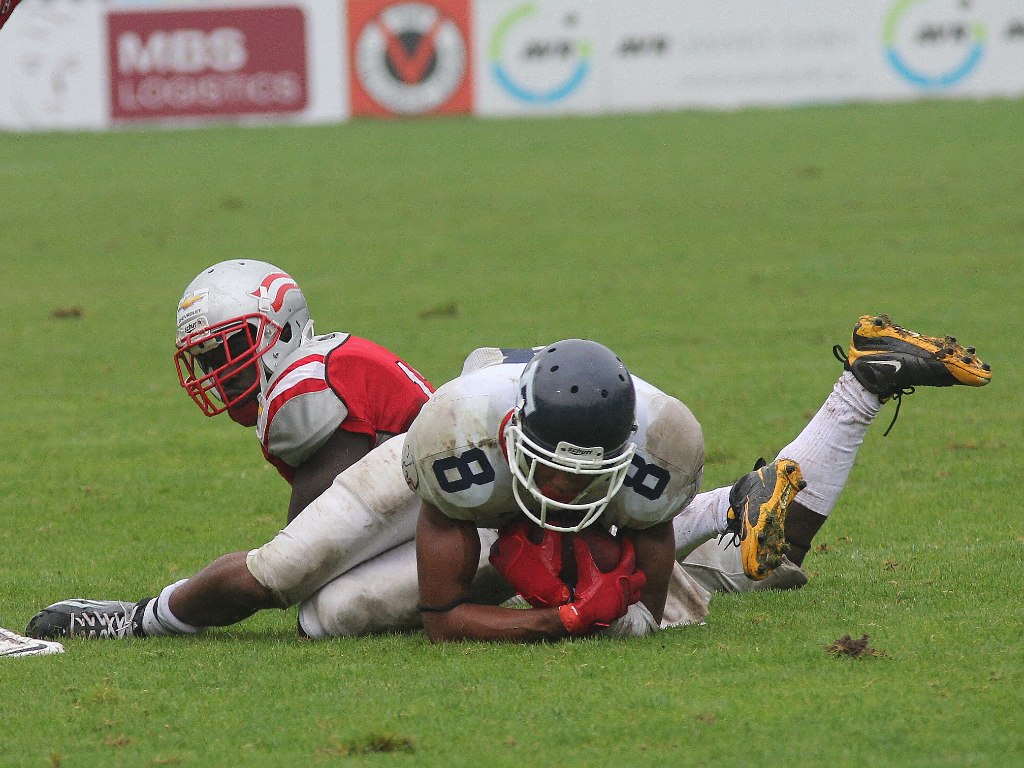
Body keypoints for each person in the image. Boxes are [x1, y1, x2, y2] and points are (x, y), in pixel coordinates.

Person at [26, 314, 990, 641]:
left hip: (593, 478)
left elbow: (640, 599)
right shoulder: (457, 436)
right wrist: (558, 619)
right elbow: (445, 616)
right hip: (442, 479)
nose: (565, 489)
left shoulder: (664, 441)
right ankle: (141, 618)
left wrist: (614, 607)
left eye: (587, 480)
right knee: (303, 591)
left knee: (670, 597)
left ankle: (771, 480)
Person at [25, 259, 434, 638]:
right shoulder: (325, 362)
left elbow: (300, 556)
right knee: (328, 615)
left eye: (231, 347)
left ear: (281, 330)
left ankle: (143, 619)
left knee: (278, 569)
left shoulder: (306, 382)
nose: (220, 371)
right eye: (207, 359)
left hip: (438, 493)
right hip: (438, 507)